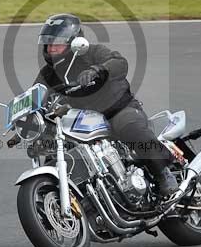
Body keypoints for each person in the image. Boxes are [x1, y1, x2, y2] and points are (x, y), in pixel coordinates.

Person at [33, 13, 179, 198]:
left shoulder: (93, 53)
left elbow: (119, 63)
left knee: (131, 130)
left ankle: (163, 174)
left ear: (74, 41)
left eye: (58, 43)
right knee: (53, 153)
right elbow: (35, 96)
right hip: (81, 124)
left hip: (118, 111)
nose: (52, 48)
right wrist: (26, 117)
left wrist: (98, 70)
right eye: (49, 43)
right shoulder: (48, 74)